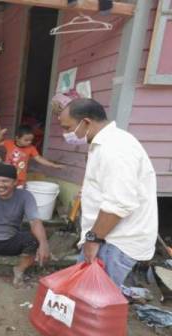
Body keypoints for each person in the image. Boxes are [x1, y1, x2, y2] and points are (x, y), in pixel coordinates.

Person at [58, 98, 157, 288]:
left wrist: (93, 240)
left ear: (86, 122)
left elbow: (119, 204)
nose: (66, 134)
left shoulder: (115, 148)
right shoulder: (106, 143)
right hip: (108, 236)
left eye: (67, 127)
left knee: (94, 299)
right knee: (87, 294)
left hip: (115, 240)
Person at [0, 126, 65, 187]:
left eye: (31, 140)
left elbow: (39, 158)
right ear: (17, 138)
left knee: (19, 194)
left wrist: (53, 165)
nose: (29, 142)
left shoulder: (31, 148)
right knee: (7, 193)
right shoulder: (9, 143)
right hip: (7, 175)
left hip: (20, 177)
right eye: (26, 140)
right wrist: (0, 135)